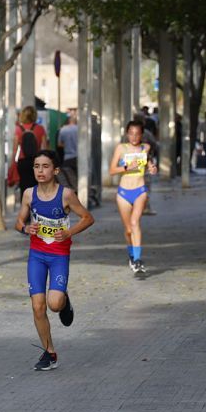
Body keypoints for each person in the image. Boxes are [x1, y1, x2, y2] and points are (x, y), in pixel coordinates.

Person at [14, 149, 94, 371]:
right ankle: (49, 353)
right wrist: (26, 228)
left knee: (54, 304)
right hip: (36, 256)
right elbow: (18, 222)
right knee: (38, 307)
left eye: (45, 166)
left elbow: (88, 218)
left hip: (59, 255)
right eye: (37, 166)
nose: (40, 171)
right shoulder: (29, 194)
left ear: (55, 170)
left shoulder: (66, 194)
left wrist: (69, 232)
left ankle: (64, 299)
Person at [109, 119, 158, 276]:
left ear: (142, 135)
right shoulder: (121, 148)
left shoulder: (146, 148)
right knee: (129, 229)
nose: (134, 137)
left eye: (137, 134)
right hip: (123, 192)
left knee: (135, 222)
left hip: (140, 190)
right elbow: (111, 170)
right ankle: (131, 255)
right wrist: (126, 167)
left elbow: (148, 163)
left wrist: (152, 167)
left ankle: (138, 260)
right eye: (131, 133)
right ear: (127, 134)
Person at [14, 106, 50, 199]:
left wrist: (13, 163)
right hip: (36, 162)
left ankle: (25, 210)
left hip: (23, 162)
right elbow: (45, 148)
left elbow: (15, 149)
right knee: (36, 188)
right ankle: (36, 210)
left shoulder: (18, 129)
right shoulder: (40, 128)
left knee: (24, 188)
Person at [56, 112, 79, 189]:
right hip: (78, 158)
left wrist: (67, 144)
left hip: (68, 158)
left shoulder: (63, 130)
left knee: (68, 179)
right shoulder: (79, 129)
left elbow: (59, 144)